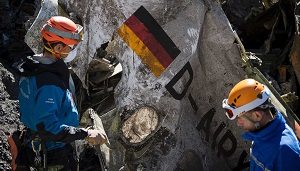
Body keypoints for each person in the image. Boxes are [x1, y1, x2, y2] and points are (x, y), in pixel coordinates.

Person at [8, 16, 108, 171]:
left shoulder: (32, 66)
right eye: (71, 47)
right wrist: (86, 134)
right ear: (59, 48)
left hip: (37, 144)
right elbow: (49, 128)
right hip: (53, 154)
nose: (73, 50)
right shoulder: (49, 82)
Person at [222, 78, 300, 171]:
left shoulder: (284, 151)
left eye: (239, 118)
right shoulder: (261, 133)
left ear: (257, 115)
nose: (238, 123)